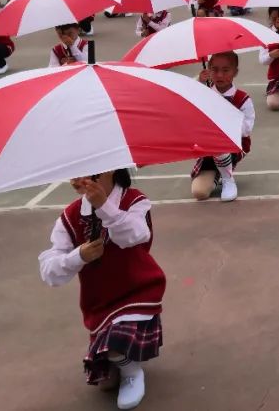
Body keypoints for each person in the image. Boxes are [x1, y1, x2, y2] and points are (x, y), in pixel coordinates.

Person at [38, 170, 166, 409]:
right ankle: (121, 361)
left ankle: (132, 372)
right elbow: (49, 270)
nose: (78, 179)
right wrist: (78, 256)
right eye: (73, 171)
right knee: (105, 381)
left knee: (115, 346)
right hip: (99, 302)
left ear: (111, 169)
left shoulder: (134, 200)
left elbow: (137, 236)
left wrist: (104, 207)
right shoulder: (71, 215)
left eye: (89, 172)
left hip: (137, 292)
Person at [192, 52, 254, 202]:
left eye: (226, 70)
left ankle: (228, 178)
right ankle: (217, 173)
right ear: (208, 70)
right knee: (199, 193)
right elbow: (185, 99)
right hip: (208, 147)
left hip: (233, 144)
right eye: (214, 69)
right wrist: (198, 82)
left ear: (235, 72)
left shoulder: (242, 98)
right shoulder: (204, 93)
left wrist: (225, 121)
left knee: (219, 143)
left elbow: (246, 129)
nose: (219, 75)